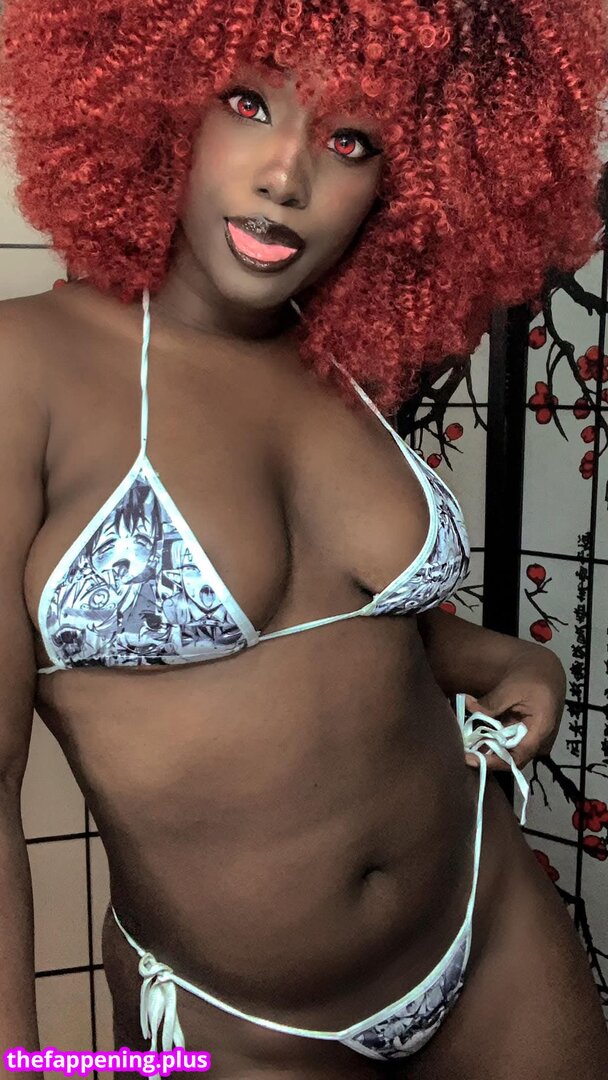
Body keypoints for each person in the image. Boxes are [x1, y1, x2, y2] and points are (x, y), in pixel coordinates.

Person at [0, 1, 607, 1077]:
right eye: (248, 102)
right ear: (158, 108)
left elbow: (341, 630)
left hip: (491, 921)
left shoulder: (346, 367)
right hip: (238, 1025)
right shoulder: (26, 369)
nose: (287, 176)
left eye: (351, 140)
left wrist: (498, 657)